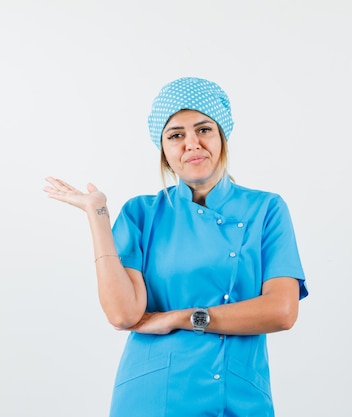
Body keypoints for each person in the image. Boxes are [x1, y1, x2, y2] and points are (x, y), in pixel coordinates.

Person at [43, 77, 308, 417]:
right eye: (176, 135)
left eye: (204, 130)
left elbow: (282, 311)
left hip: (239, 393)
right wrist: (97, 214)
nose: (192, 144)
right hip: (152, 395)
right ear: (165, 152)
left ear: (222, 137)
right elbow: (123, 313)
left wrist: (183, 318)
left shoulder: (266, 209)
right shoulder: (142, 214)